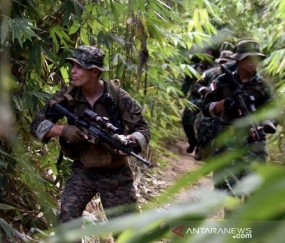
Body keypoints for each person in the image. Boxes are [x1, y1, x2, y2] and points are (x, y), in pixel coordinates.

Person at [30, 46, 151, 229]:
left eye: (79, 67)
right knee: (67, 218)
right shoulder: (67, 97)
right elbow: (37, 125)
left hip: (116, 171)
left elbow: (143, 129)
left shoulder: (117, 96)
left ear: (94, 71)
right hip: (84, 169)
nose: (73, 71)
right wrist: (63, 130)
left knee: (127, 231)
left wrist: (129, 141)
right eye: (73, 66)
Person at [202, 38, 276, 215]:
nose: (253, 62)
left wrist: (262, 128)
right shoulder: (222, 81)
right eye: (249, 58)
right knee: (230, 198)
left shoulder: (263, 86)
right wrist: (224, 103)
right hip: (228, 146)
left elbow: (271, 114)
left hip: (254, 149)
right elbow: (206, 108)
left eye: (256, 58)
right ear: (239, 60)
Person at [194, 50, 237, 161]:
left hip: (228, 108)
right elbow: (199, 83)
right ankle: (200, 149)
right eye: (223, 61)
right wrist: (205, 91)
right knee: (203, 126)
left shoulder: (236, 76)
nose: (225, 64)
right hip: (211, 104)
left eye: (227, 62)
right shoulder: (211, 72)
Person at [181, 47, 216, 156]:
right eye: (206, 53)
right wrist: (181, 95)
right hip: (195, 97)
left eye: (210, 54)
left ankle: (200, 149)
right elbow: (186, 84)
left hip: (208, 99)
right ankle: (192, 142)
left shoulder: (215, 69)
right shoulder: (194, 68)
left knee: (203, 124)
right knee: (186, 120)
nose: (207, 55)